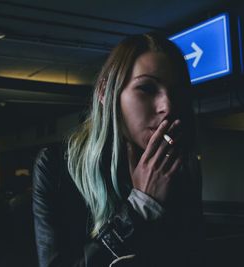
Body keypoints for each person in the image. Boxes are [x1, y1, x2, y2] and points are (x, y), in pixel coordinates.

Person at [32, 33, 204, 267]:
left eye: (175, 91)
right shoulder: (56, 165)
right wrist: (141, 206)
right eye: (146, 88)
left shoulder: (182, 168)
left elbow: (191, 255)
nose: (167, 106)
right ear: (105, 92)